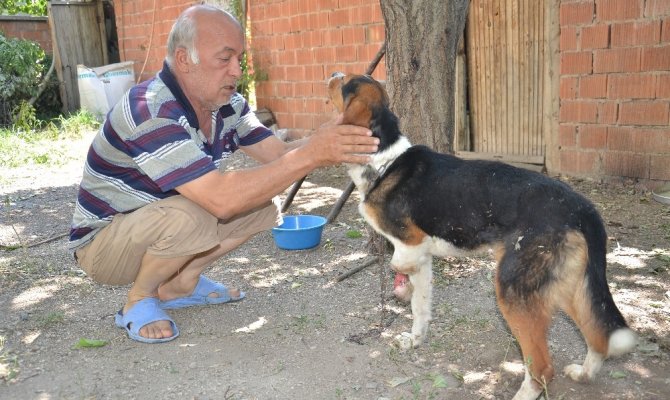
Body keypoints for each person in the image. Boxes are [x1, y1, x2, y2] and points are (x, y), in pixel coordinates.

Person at [68, 5, 378, 343]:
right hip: (104, 245)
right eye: (224, 59)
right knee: (196, 214)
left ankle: (181, 283)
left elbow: (277, 155)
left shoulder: (227, 104)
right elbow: (221, 200)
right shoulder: (150, 110)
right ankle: (139, 300)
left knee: (262, 205)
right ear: (185, 60)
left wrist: (327, 138)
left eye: (239, 60)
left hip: (158, 224)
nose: (236, 71)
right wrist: (313, 153)